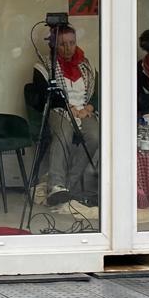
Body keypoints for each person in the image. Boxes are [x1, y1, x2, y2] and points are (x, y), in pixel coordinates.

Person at [33, 24, 98, 206]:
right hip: (60, 109)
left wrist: (88, 109)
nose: (68, 48)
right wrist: (68, 106)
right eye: (62, 44)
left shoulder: (87, 66)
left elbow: (98, 95)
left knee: (94, 136)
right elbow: (42, 97)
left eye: (72, 43)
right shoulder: (44, 66)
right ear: (54, 46)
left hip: (85, 110)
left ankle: (70, 184)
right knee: (63, 134)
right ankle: (56, 185)